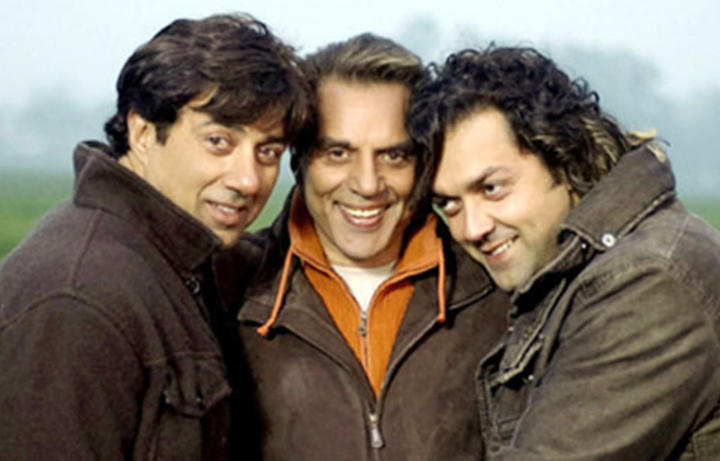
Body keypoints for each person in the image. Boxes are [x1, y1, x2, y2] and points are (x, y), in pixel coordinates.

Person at [0, 13, 308, 461]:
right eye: (219, 141)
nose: (248, 179)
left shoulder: (188, 262)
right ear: (143, 132)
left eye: (268, 151)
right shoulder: (78, 300)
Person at [408, 45, 720, 460]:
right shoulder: (567, 272)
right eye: (448, 204)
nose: (472, 228)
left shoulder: (648, 280)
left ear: (563, 155)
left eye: (492, 188)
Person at [217, 34, 509, 461]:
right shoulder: (227, 288)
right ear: (300, 159)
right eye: (338, 153)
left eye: (394, 156)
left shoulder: (495, 291)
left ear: (424, 163)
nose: (368, 184)